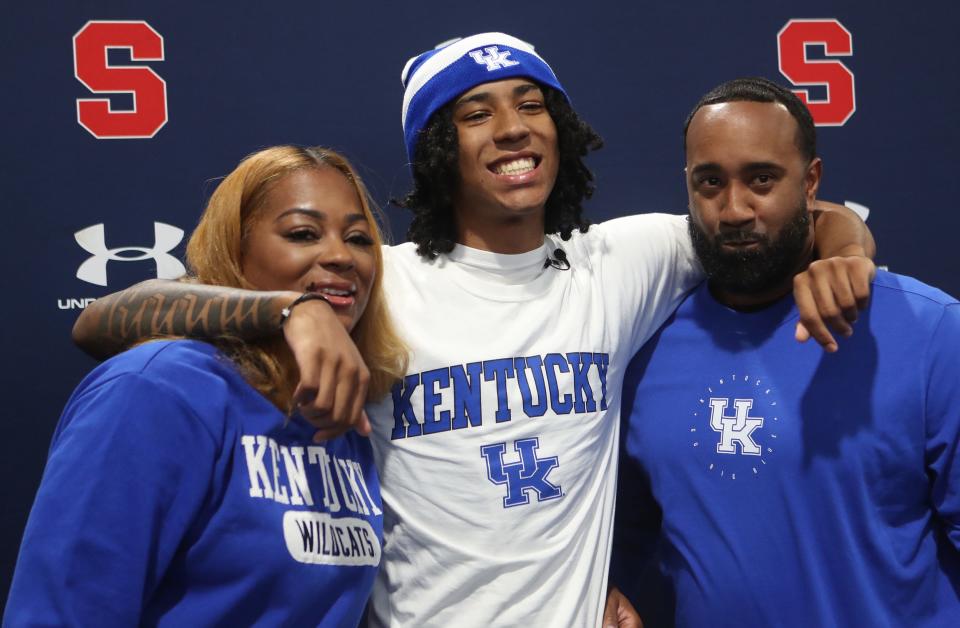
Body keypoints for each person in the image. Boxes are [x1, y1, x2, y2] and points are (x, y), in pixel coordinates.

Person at [70, 35, 875, 626]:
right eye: (476, 113)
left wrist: (847, 249)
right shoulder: (372, 278)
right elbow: (111, 315)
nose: (514, 127)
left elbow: (785, 214)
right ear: (435, 150)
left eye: (532, 104)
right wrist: (294, 309)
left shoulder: (623, 259)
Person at [5, 146, 407, 626]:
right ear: (234, 252)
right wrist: (291, 308)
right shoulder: (158, 389)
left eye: (359, 239)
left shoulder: (341, 412)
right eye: (303, 233)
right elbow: (61, 612)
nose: (341, 255)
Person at [612, 77, 960, 627]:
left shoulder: (930, 331)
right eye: (709, 182)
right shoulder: (643, 346)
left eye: (762, 179)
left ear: (811, 182)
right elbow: (621, 533)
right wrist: (608, 588)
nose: (734, 209)